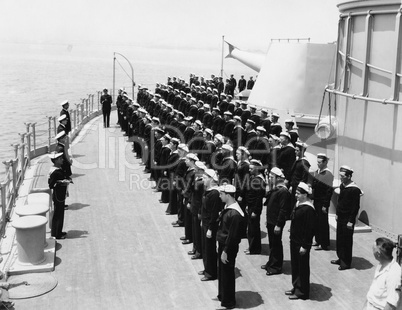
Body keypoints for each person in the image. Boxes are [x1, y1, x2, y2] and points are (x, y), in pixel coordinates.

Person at [286, 182, 316, 300]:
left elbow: (310, 229)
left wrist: (305, 245)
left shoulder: (309, 209)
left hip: (302, 243)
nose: (296, 195)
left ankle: (302, 291)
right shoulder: (299, 204)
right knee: (295, 266)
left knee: (302, 267)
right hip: (294, 240)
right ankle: (296, 286)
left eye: (298, 193)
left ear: (305, 195)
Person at [216, 184, 245, 309]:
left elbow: (233, 236)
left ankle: (229, 301)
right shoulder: (228, 207)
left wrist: (225, 251)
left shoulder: (235, 213)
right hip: (223, 243)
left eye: (221, 194)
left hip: (228, 247)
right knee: (223, 272)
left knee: (227, 273)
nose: (219, 196)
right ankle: (223, 295)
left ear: (228, 195)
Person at [331, 165, 363, 270]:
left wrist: (351, 221)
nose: (341, 178)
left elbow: (355, 207)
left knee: (346, 241)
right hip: (341, 217)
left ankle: (346, 262)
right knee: (340, 239)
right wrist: (337, 213)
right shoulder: (343, 185)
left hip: (348, 219)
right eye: (340, 176)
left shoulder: (354, 190)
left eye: (343, 176)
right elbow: (340, 202)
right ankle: (340, 258)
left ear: (349, 176)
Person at [262, 167, 291, 275]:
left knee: (276, 244)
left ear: (278, 178)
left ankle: (276, 266)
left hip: (276, 223)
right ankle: (271, 262)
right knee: (272, 244)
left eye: (271, 177)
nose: (269, 178)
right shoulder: (276, 189)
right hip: (271, 221)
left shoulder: (283, 191)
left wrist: (279, 224)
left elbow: (283, 210)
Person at [365, 237, 401, 310]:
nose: (372, 252)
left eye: (373, 249)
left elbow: (391, 304)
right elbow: (371, 295)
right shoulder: (380, 265)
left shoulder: (393, 273)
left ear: (378, 254)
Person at [199, 169, 221, 281]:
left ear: (211, 179)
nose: (203, 179)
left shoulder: (215, 193)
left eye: (205, 177)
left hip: (210, 225)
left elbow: (214, 213)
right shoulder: (207, 190)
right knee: (205, 248)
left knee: (210, 249)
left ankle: (211, 273)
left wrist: (210, 229)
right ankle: (207, 268)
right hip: (205, 222)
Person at [311, 153, 334, 251]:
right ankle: (317, 239)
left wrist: (325, 205)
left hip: (322, 202)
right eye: (317, 162)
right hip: (316, 200)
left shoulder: (328, 174)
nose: (318, 164)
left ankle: (324, 244)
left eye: (320, 162)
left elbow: (329, 191)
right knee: (316, 221)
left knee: (323, 223)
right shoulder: (318, 171)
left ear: (325, 162)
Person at [48, 152, 72, 239]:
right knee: (58, 214)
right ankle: (57, 234)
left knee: (60, 214)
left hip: (61, 194)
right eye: (60, 159)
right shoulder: (55, 172)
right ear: (56, 161)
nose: (62, 160)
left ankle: (58, 232)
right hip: (58, 195)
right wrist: (62, 182)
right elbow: (51, 184)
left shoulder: (59, 168)